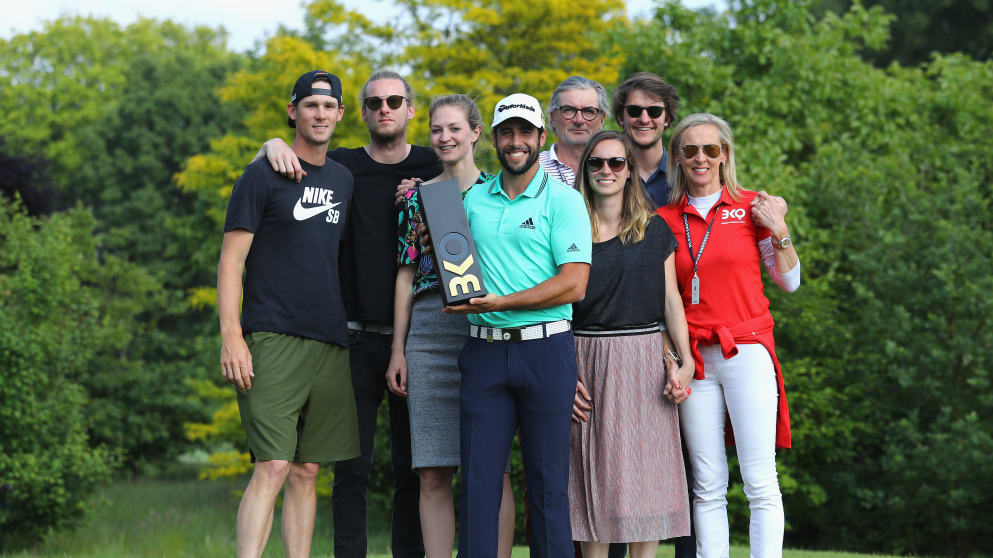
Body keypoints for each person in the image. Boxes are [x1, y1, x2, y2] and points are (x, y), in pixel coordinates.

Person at [259, 70, 443, 558]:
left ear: (410, 110)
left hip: (420, 338)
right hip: (351, 337)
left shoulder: (433, 167)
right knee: (350, 471)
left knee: (414, 468)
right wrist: (271, 142)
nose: (385, 108)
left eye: (395, 100)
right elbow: (278, 164)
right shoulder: (339, 166)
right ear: (358, 113)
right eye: (375, 102)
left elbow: (476, 183)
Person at [421, 93, 592, 558]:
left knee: (548, 486)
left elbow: (574, 283)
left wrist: (505, 302)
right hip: (484, 353)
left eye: (525, 132)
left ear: (541, 137)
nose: (516, 142)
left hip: (546, 351)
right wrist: (432, 234)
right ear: (493, 139)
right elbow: (453, 259)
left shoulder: (565, 200)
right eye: (507, 133)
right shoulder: (470, 200)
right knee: (478, 486)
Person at [218, 70, 359, 558]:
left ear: (340, 114)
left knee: (308, 471)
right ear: (293, 110)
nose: (320, 114)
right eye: (310, 105)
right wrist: (232, 336)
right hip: (271, 337)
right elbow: (230, 262)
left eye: (328, 106)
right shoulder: (261, 175)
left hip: (329, 340)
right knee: (273, 465)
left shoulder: (343, 179)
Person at [656, 113, 801, 558]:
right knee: (707, 483)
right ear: (677, 158)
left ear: (725, 155)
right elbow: (662, 301)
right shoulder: (662, 218)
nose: (701, 158)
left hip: (746, 349)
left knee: (759, 480)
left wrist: (779, 231)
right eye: (690, 150)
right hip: (693, 356)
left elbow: (789, 282)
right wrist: (671, 358)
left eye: (711, 149)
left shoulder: (753, 205)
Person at [385, 94, 515, 558]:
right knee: (433, 469)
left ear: (476, 133)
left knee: (491, 465)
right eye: (437, 130)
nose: (445, 137)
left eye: (455, 128)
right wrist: (398, 349)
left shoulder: (502, 192)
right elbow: (405, 274)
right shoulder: (418, 196)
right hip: (428, 332)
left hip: (486, 328)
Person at [567, 130, 695, 558]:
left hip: (645, 357)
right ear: (585, 171)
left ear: (629, 172)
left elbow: (671, 300)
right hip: (586, 359)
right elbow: (553, 308)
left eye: (616, 163)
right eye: (596, 163)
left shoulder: (654, 228)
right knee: (592, 483)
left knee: (648, 481)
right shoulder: (566, 230)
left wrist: (685, 360)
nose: (606, 170)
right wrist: (564, 373)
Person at [612, 72, 681, 209]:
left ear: (667, 118)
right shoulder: (604, 173)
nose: (644, 119)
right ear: (620, 118)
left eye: (654, 111)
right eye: (634, 110)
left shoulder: (685, 175)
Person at [539, 76, 609, 186]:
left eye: (588, 111)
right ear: (553, 117)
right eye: (569, 110)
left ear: (602, 119)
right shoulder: (532, 170)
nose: (579, 120)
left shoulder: (615, 168)